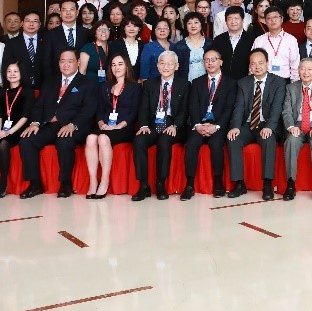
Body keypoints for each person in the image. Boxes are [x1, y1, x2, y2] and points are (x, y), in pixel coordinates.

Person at [19, 48, 98, 198]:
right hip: (49, 124)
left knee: (64, 141)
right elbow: (38, 106)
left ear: (78, 62)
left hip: (74, 126)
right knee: (27, 140)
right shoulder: (50, 81)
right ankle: (35, 184)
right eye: (62, 61)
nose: (66, 65)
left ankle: (65, 183)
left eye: (70, 61)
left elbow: (89, 109)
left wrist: (72, 125)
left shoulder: (88, 83)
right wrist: (35, 123)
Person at [226, 48, 286, 200]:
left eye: (260, 63)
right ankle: (239, 184)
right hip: (248, 124)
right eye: (253, 64)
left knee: (268, 139)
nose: (257, 67)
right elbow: (239, 107)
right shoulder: (243, 83)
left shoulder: (278, 82)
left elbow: (277, 108)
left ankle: (267, 184)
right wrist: (235, 127)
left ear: (267, 63)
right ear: (249, 66)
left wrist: (270, 127)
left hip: (267, 123)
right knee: (233, 138)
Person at [132, 50, 189, 200]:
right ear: (157, 65)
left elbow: (184, 111)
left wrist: (175, 125)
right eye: (162, 63)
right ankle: (143, 185)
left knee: (164, 140)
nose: (166, 67)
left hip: (173, 125)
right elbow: (143, 108)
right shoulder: (149, 84)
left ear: (176, 66)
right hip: (153, 124)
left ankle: (160, 184)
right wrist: (143, 125)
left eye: (170, 64)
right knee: (139, 140)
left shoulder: (184, 84)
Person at [180, 49, 236, 199]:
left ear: (221, 62)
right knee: (191, 143)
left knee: (216, 144)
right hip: (200, 124)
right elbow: (192, 106)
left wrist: (216, 126)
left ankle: (218, 182)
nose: (210, 63)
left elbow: (229, 108)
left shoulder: (231, 83)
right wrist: (198, 125)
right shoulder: (197, 82)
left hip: (218, 125)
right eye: (206, 60)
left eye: (213, 59)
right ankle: (189, 184)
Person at [83, 55, 140, 199]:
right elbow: (99, 110)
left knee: (102, 138)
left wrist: (118, 126)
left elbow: (134, 112)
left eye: (120, 64)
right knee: (90, 138)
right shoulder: (104, 86)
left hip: (124, 128)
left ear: (126, 66)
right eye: (113, 65)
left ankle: (104, 181)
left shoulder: (135, 87)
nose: (116, 67)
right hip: (106, 125)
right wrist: (102, 124)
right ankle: (93, 181)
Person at [281, 57, 312, 201]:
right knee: (291, 140)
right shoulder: (291, 88)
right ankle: (290, 184)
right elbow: (286, 111)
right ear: (298, 71)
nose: (306, 72)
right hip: (298, 124)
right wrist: (291, 127)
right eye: (303, 69)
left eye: (309, 69)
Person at [0, 60, 33, 199]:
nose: (12, 74)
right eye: (9, 71)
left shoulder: (27, 92)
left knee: (3, 144)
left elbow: (25, 116)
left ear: (21, 73)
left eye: (16, 71)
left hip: (18, 129)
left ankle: (3, 182)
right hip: (1, 129)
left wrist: (9, 132)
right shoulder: (0, 92)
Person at [41, 0, 87, 78]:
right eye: (64, 10)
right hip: (57, 79)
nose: (68, 13)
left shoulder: (86, 33)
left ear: (77, 12)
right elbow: (46, 61)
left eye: (71, 9)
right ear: (60, 13)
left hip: (81, 79)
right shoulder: (50, 35)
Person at [174, 13, 211, 82]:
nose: (193, 26)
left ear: (201, 24)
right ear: (185, 26)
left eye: (196, 22)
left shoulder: (210, 43)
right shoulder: (179, 46)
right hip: (186, 83)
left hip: (207, 83)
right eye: (189, 23)